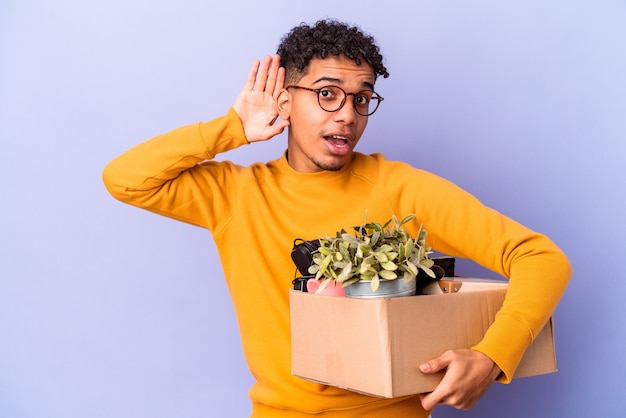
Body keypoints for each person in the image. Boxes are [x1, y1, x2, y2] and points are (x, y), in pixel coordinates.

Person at [103, 19, 571, 417]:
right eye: (327, 94)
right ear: (285, 100)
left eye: (361, 98)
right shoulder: (235, 195)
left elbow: (540, 257)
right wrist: (231, 129)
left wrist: (492, 357)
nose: (347, 114)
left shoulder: (400, 189)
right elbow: (125, 179)